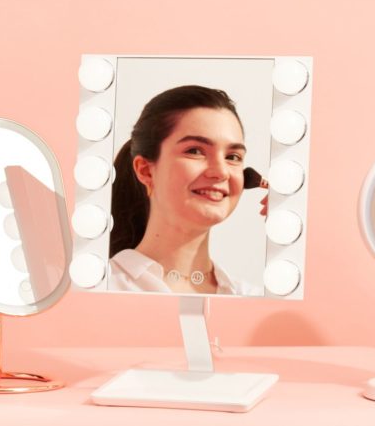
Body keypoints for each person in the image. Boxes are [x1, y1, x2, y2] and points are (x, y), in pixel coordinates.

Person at [108, 85, 264, 295]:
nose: (221, 172)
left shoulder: (252, 298)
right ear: (145, 170)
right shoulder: (99, 286)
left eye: (232, 157)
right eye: (195, 151)